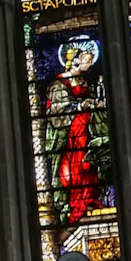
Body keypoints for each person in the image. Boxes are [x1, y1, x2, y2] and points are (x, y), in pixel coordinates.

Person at [43, 35, 110, 237]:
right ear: (75, 59)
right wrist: (80, 106)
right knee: (72, 173)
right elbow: (57, 113)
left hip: (84, 136)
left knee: (89, 169)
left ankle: (88, 201)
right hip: (67, 141)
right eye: (88, 59)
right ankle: (71, 210)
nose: (90, 63)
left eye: (91, 59)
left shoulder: (85, 83)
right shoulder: (59, 84)